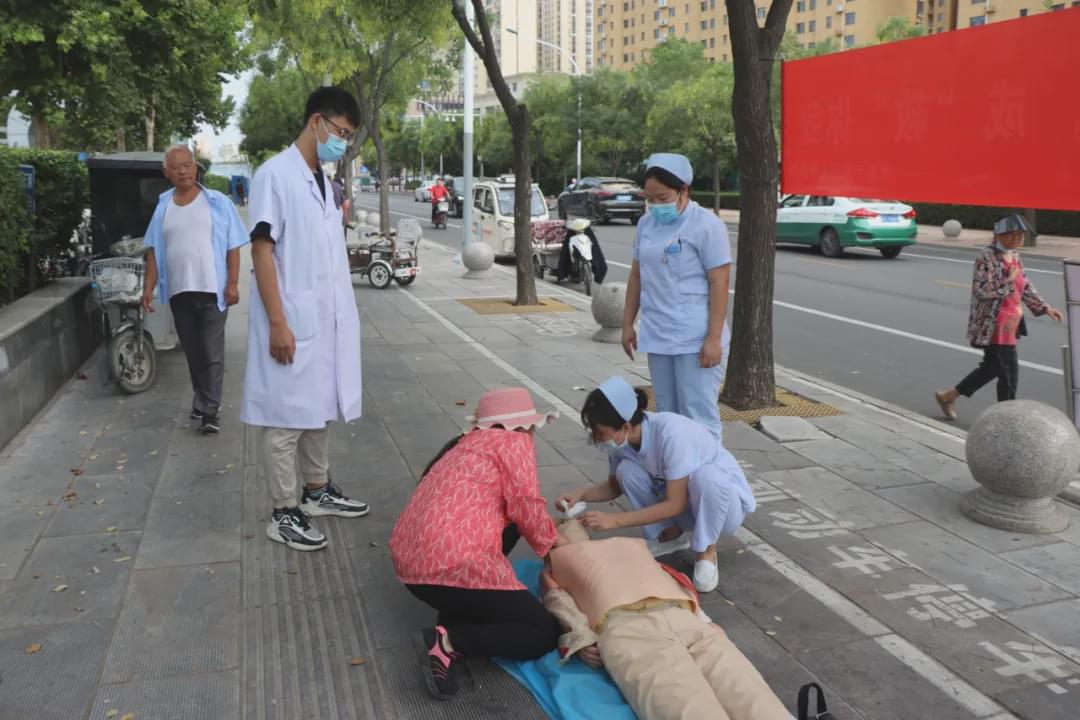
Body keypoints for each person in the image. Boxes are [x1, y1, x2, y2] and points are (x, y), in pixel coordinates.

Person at [243, 87, 370, 552]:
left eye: (348, 137)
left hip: (325, 317)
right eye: (339, 132)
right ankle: (283, 511)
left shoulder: (322, 179)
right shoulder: (273, 175)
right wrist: (278, 322)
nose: (342, 142)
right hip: (291, 317)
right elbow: (262, 250)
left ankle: (316, 491)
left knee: (318, 407)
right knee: (284, 418)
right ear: (316, 121)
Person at [390, 387, 569, 700]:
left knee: (511, 522)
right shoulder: (514, 442)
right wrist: (556, 545)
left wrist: (542, 535)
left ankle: (454, 614)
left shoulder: (464, 444)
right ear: (524, 426)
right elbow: (526, 504)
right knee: (542, 633)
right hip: (450, 563)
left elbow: (517, 514)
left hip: (411, 564)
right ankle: (448, 643)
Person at [541, 519, 790, 720]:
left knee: (738, 697)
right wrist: (581, 638)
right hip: (649, 622)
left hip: (646, 625)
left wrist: (581, 637)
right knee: (739, 695)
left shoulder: (612, 552)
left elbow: (558, 601)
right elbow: (559, 602)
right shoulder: (622, 549)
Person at [557, 376, 756, 593]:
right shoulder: (621, 444)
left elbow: (675, 504)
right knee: (627, 471)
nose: (596, 440)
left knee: (706, 477)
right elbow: (614, 486)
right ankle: (670, 533)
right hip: (688, 506)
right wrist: (581, 494)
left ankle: (707, 549)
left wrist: (615, 521)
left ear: (624, 426)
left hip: (723, 509)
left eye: (601, 433)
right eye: (593, 432)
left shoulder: (672, 434)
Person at [622, 153, 732, 440]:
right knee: (668, 416)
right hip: (658, 332)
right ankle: (674, 478)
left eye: (663, 197)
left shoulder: (707, 225)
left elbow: (719, 282)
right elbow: (637, 275)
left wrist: (713, 338)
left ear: (684, 190)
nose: (656, 205)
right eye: (650, 198)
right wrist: (626, 324)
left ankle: (707, 479)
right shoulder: (646, 224)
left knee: (698, 414)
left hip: (695, 335)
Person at [142, 144, 248, 435]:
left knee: (212, 352)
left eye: (187, 165)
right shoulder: (163, 206)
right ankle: (201, 399)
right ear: (166, 173)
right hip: (180, 292)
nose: (182, 171)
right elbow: (153, 250)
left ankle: (210, 410)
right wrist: (148, 287)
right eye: (175, 167)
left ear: (195, 167)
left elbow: (233, 245)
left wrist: (233, 283)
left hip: (212, 290)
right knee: (193, 352)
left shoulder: (216, 202)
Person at [934, 214, 1062, 420]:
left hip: (1011, 322)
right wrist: (1008, 281)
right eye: (1011, 234)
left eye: (1020, 235)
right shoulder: (986, 256)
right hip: (992, 323)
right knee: (1009, 372)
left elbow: (1025, 286)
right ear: (998, 235)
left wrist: (1045, 307)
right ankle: (1007, 418)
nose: (1016, 238)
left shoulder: (1015, 256)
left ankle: (948, 396)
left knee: (993, 368)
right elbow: (982, 290)